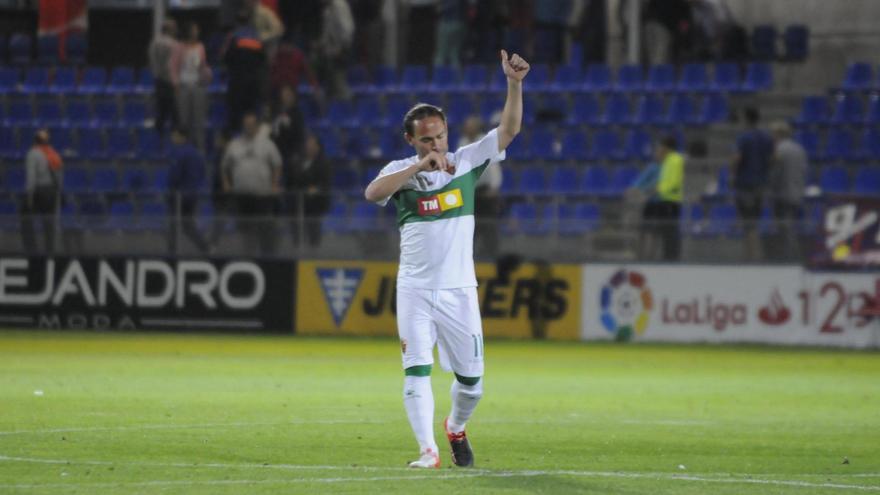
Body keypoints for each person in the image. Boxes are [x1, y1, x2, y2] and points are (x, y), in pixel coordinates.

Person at [364, 49, 530, 469]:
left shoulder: (466, 163)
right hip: (415, 290)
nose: (436, 144)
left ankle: (455, 426)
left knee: (472, 383)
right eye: (426, 139)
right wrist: (419, 165)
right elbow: (373, 193)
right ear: (411, 141)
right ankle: (427, 451)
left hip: (459, 291)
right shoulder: (401, 171)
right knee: (415, 370)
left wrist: (514, 84)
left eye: (439, 136)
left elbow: (508, 131)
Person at [222, 112, 283, 256]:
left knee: (264, 228)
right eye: (246, 125)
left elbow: (277, 165)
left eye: (251, 124)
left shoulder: (267, 144)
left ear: (256, 126)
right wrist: (226, 182)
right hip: (242, 196)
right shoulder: (234, 145)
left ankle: (267, 258)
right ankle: (247, 256)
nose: (248, 127)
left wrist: (275, 183)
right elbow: (225, 166)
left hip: (262, 195)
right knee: (245, 230)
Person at [733, 107, 774, 261]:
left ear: (746, 119)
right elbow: (773, 158)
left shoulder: (744, 138)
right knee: (754, 220)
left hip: (745, 183)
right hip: (760, 183)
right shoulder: (766, 138)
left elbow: (737, 158)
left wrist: (733, 174)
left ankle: (751, 255)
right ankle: (753, 253)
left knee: (747, 221)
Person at [458, 116, 502, 258]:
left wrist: (494, 187)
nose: (466, 128)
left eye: (469, 126)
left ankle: (491, 253)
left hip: (485, 191)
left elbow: (494, 165)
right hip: (469, 191)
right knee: (469, 224)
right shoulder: (463, 142)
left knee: (488, 224)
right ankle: (469, 255)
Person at [769, 121, 808, 262]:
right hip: (797, 192)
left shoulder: (779, 150)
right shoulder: (799, 149)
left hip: (783, 194)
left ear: (778, 134)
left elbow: (775, 174)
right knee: (794, 226)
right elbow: (803, 171)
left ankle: (788, 257)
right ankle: (795, 254)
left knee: (785, 228)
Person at [223, 10, 268, 134]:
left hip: (237, 82)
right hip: (253, 83)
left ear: (237, 22)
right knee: (251, 113)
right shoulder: (257, 37)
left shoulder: (233, 37)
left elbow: (227, 58)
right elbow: (263, 59)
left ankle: (235, 139)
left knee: (235, 114)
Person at [167, 127, 211, 254]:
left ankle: (172, 254)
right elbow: (203, 174)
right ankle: (205, 247)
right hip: (193, 196)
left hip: (179, 196)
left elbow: (175, 176)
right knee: (188, 225)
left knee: (173, 226)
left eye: (175, 136)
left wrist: (171, 191)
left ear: (182, 137)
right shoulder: (197, 153)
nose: (172, 139)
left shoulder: (179, 153)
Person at [171, 22, 212, 152]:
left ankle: (200, 150)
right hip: (183, 86)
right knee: (185, 121)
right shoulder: (179, 47)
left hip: (197, 86)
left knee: (199, 121)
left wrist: (206, 74)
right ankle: (185, 150)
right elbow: (173, 66)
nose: (197, 32)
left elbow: (203, 65)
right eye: (194, 29)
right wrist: (176, 83)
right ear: (189, 31)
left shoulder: (200, 47)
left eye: (197, 30)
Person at [287, 133, 332, 248]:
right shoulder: (297, 161)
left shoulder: (323, 163)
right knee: (296, 231)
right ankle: (296, 250)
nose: (309, 147)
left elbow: (325, 183)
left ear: (317, 147)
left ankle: (313, 252)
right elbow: (292, 180)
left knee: (313, 232)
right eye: (307, 145)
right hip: (297, 204)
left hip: (314, 205)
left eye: (312, 145)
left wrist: (315, 189)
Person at [643, 136, 684, 261]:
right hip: (665, 199)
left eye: (661, 146)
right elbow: (665, 180)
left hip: (671, 200)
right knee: (665, 231)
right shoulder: (668, 160)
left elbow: (674, 181)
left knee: (670, 231)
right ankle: (667, 256)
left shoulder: (676, 160)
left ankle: (671, 257)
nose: (659, 149)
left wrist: (660, 189)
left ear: (666, 147)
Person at [21, 129, 62, 253]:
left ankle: (31, 250)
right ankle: (50, 251)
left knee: (25, 217)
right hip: (51, 192)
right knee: (49, 223)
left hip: (38, 191)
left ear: (34, 140)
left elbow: (31, 178)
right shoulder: (53, 154)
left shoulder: (33, 153)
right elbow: (59, 176)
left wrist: (28, 197)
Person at [315, 0, 355, 100]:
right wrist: (321, 44)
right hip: (330, 52)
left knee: (339, 82)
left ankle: (348, 108)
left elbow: (348, 28)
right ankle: (332, 111)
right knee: (330, 86)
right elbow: (327, 32)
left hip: (341, 50)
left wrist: (342, 47)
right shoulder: (328, 9)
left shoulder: (339, 5)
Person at [148, 19, 179, 138]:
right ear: (169, 29)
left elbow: (151, 62)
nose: (176, 30)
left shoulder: (154, 42)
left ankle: (158, 142)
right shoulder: (174, 44)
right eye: (174, 28)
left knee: (161, 113)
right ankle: (173, 143)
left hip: (159, 82)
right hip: (170, 83)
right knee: (174, 114)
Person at [433, 0, 467, 69]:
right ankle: (456, 77)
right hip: (460, 23)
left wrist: (438, 6)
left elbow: (440, 9)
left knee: (441, 54)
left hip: (447, 23)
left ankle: (438, 76)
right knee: (454, 54)